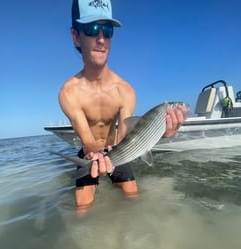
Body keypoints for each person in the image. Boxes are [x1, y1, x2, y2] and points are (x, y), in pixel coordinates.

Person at [59, 0, 186, 215]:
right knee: (82, 210)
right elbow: (88, 143)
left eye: (107, 30)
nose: (101, 39)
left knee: (134, 200)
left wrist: (159, 133)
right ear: (75, 36)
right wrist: (93, 158)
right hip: (90, 155)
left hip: (120, 150)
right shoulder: (68, 92)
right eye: (92, 29)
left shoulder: (126, 91)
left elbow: (128, 137)